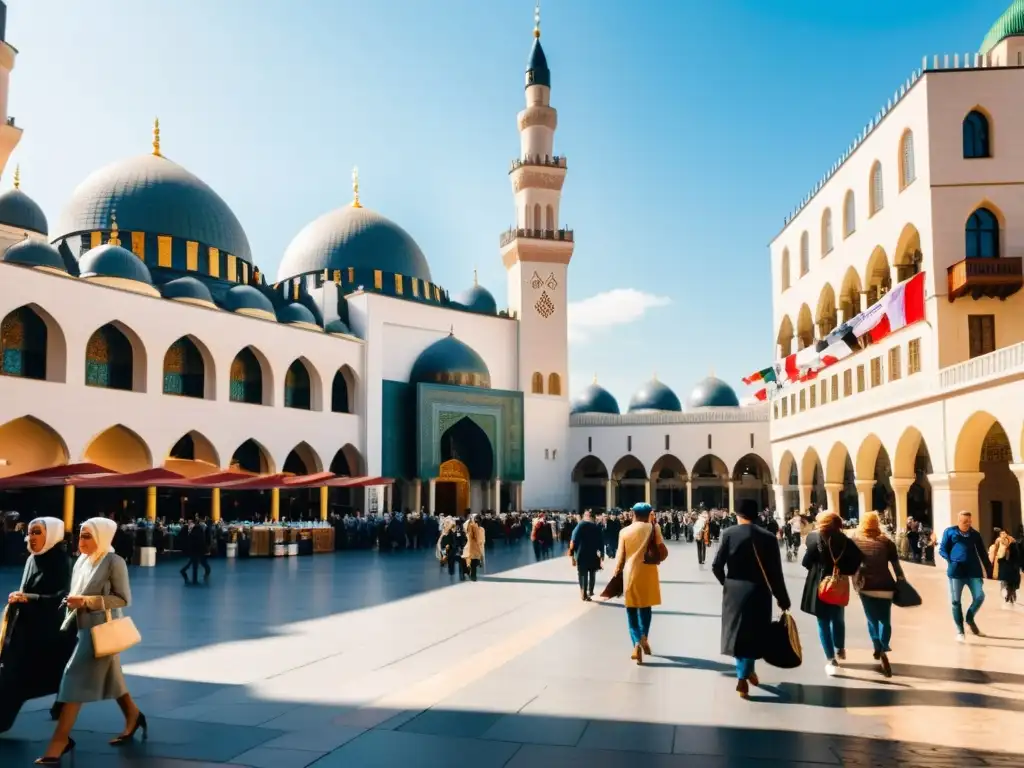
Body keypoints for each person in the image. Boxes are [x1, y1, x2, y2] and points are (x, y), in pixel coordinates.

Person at [37, 518, 147, 764]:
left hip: (102, 629)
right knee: (113, 677)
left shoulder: (113, 561)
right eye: (80, 535)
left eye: (88, 536)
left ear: (103, 536)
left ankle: (60, 740)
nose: (81, 541)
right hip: (84, 629)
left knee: (73, 677)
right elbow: (77, 592)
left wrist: (86, 602)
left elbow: (123, 599)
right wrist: (72, 601)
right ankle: (134, 714)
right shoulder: (82, 561)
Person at [0, 518, 74, 733]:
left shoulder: (61, 560)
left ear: (51, 534)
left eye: (37, 532)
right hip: (25, 629)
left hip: (47, 632)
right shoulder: (33, 558)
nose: (31, 537)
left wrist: (30, 598)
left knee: (16, 678)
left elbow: (62, 596)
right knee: (12, 677)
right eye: (30, 532)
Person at [712, 499, 790, 699]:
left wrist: (727, 583)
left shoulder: (728, 534)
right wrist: (782, 598)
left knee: (737, 632)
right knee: (754, 632)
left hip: (735, 591)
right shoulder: (768, 537)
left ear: (738, 515)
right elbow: (775, 573)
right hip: (759, 590)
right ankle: (746, 672)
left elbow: (717, 566)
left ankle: (743, 674)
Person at [801, 511, 863, 676]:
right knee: (838, 618)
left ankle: (831, 659)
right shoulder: (845, 541)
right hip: (839, 584)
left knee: (823, 622)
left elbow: (806, 562)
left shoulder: (815, 539)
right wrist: (842, 569)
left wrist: (819, 567)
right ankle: (840, 648)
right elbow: (857, 559)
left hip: (820, 585)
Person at [611, 503, 668, 664]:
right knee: (645, 608)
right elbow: (662, 551)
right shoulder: (653, 528)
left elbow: (620, 557)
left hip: (630, 574)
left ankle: (636, 643)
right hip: (648, 573)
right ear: (649, 514)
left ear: (633, 514)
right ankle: (644, 637)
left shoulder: (624, 531)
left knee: (631, 611)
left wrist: (616, 575)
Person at [852, 511, 905, 678]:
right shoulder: (887, 542)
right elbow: (896, 567)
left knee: (871, 618)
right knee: (885, 619)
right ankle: (883, 646)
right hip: (886, 585)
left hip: (866, 586)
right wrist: (901, 580)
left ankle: (877, 646)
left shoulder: (855, 542)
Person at [938, 510, 991, 641]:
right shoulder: (950, 532)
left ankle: (969, 618)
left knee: (979, 596)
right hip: (956, 572)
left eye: (969, 521)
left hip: (974, 571)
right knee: (956, 601)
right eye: (964, 521)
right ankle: (960, 631)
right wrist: (951, 560)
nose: (967, 524)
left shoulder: (975, 535)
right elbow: (942, 549)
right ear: (958, 521)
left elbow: (983, 553)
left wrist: (990, 570)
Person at [570, 510, 604, 600]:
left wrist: (571, 554)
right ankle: (591, 590)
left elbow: (573, 540)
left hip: (582, 554)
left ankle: (583, 593)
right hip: (593, 554)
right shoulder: (596, 527)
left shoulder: (580, 525)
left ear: (585, 516)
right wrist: (602, 554)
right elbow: (601, 542)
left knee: (582, 574)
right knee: (592, 573)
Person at [988, 528, 1020, 608]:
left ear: (1007, 534)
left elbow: (1017, 554)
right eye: (1001, 534)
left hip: (1012, 564)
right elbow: (995, 551)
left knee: (1012, 581)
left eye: (1004, 533)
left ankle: (1011, 594)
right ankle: (1009, 594)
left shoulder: (1012, 542)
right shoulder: (998, 541)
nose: (1003, 535)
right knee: (1006, 581)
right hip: (1003, 563)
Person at [179, 519, 211, 585]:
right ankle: (195, 579)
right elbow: (201, 540)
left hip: (196, 550)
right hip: (196, 551)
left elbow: (201, 540)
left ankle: (194, 579)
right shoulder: (191, 529)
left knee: (195, 565)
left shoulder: (197, 529)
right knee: (196, 565)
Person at [462, 514, 486, 582]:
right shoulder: (472, 527)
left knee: (474, 562)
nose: (477, 521)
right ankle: (472, 575)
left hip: (475, 548)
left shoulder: (480, 529)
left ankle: (472, 575)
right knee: (472, 562)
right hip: (472, 547)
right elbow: (465, 526)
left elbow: (482, 539)